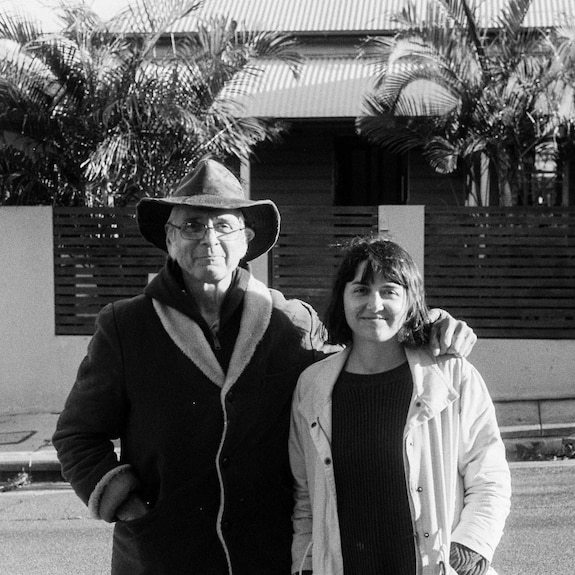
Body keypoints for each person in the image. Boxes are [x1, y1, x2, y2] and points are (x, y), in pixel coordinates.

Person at [52, 158, 478, 575]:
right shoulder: (126, 326)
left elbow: (358, 364)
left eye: (223, 225)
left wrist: (423, 328)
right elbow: (77, 435)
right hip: (160, 556)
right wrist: (130, 508)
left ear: (246, 239)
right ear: (168, 238)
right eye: (191, 225)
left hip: (267, 555)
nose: (208, 239)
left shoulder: (290, 322)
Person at [289, 236, 511, 575]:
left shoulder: (450, 374)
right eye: (361, 290)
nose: (374, 303)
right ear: (342, 299)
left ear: (410, 300)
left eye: (389, 291)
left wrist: (468, 552)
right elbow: (306, 497)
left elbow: (489, 475)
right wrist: (305, 566)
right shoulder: (312, 386)